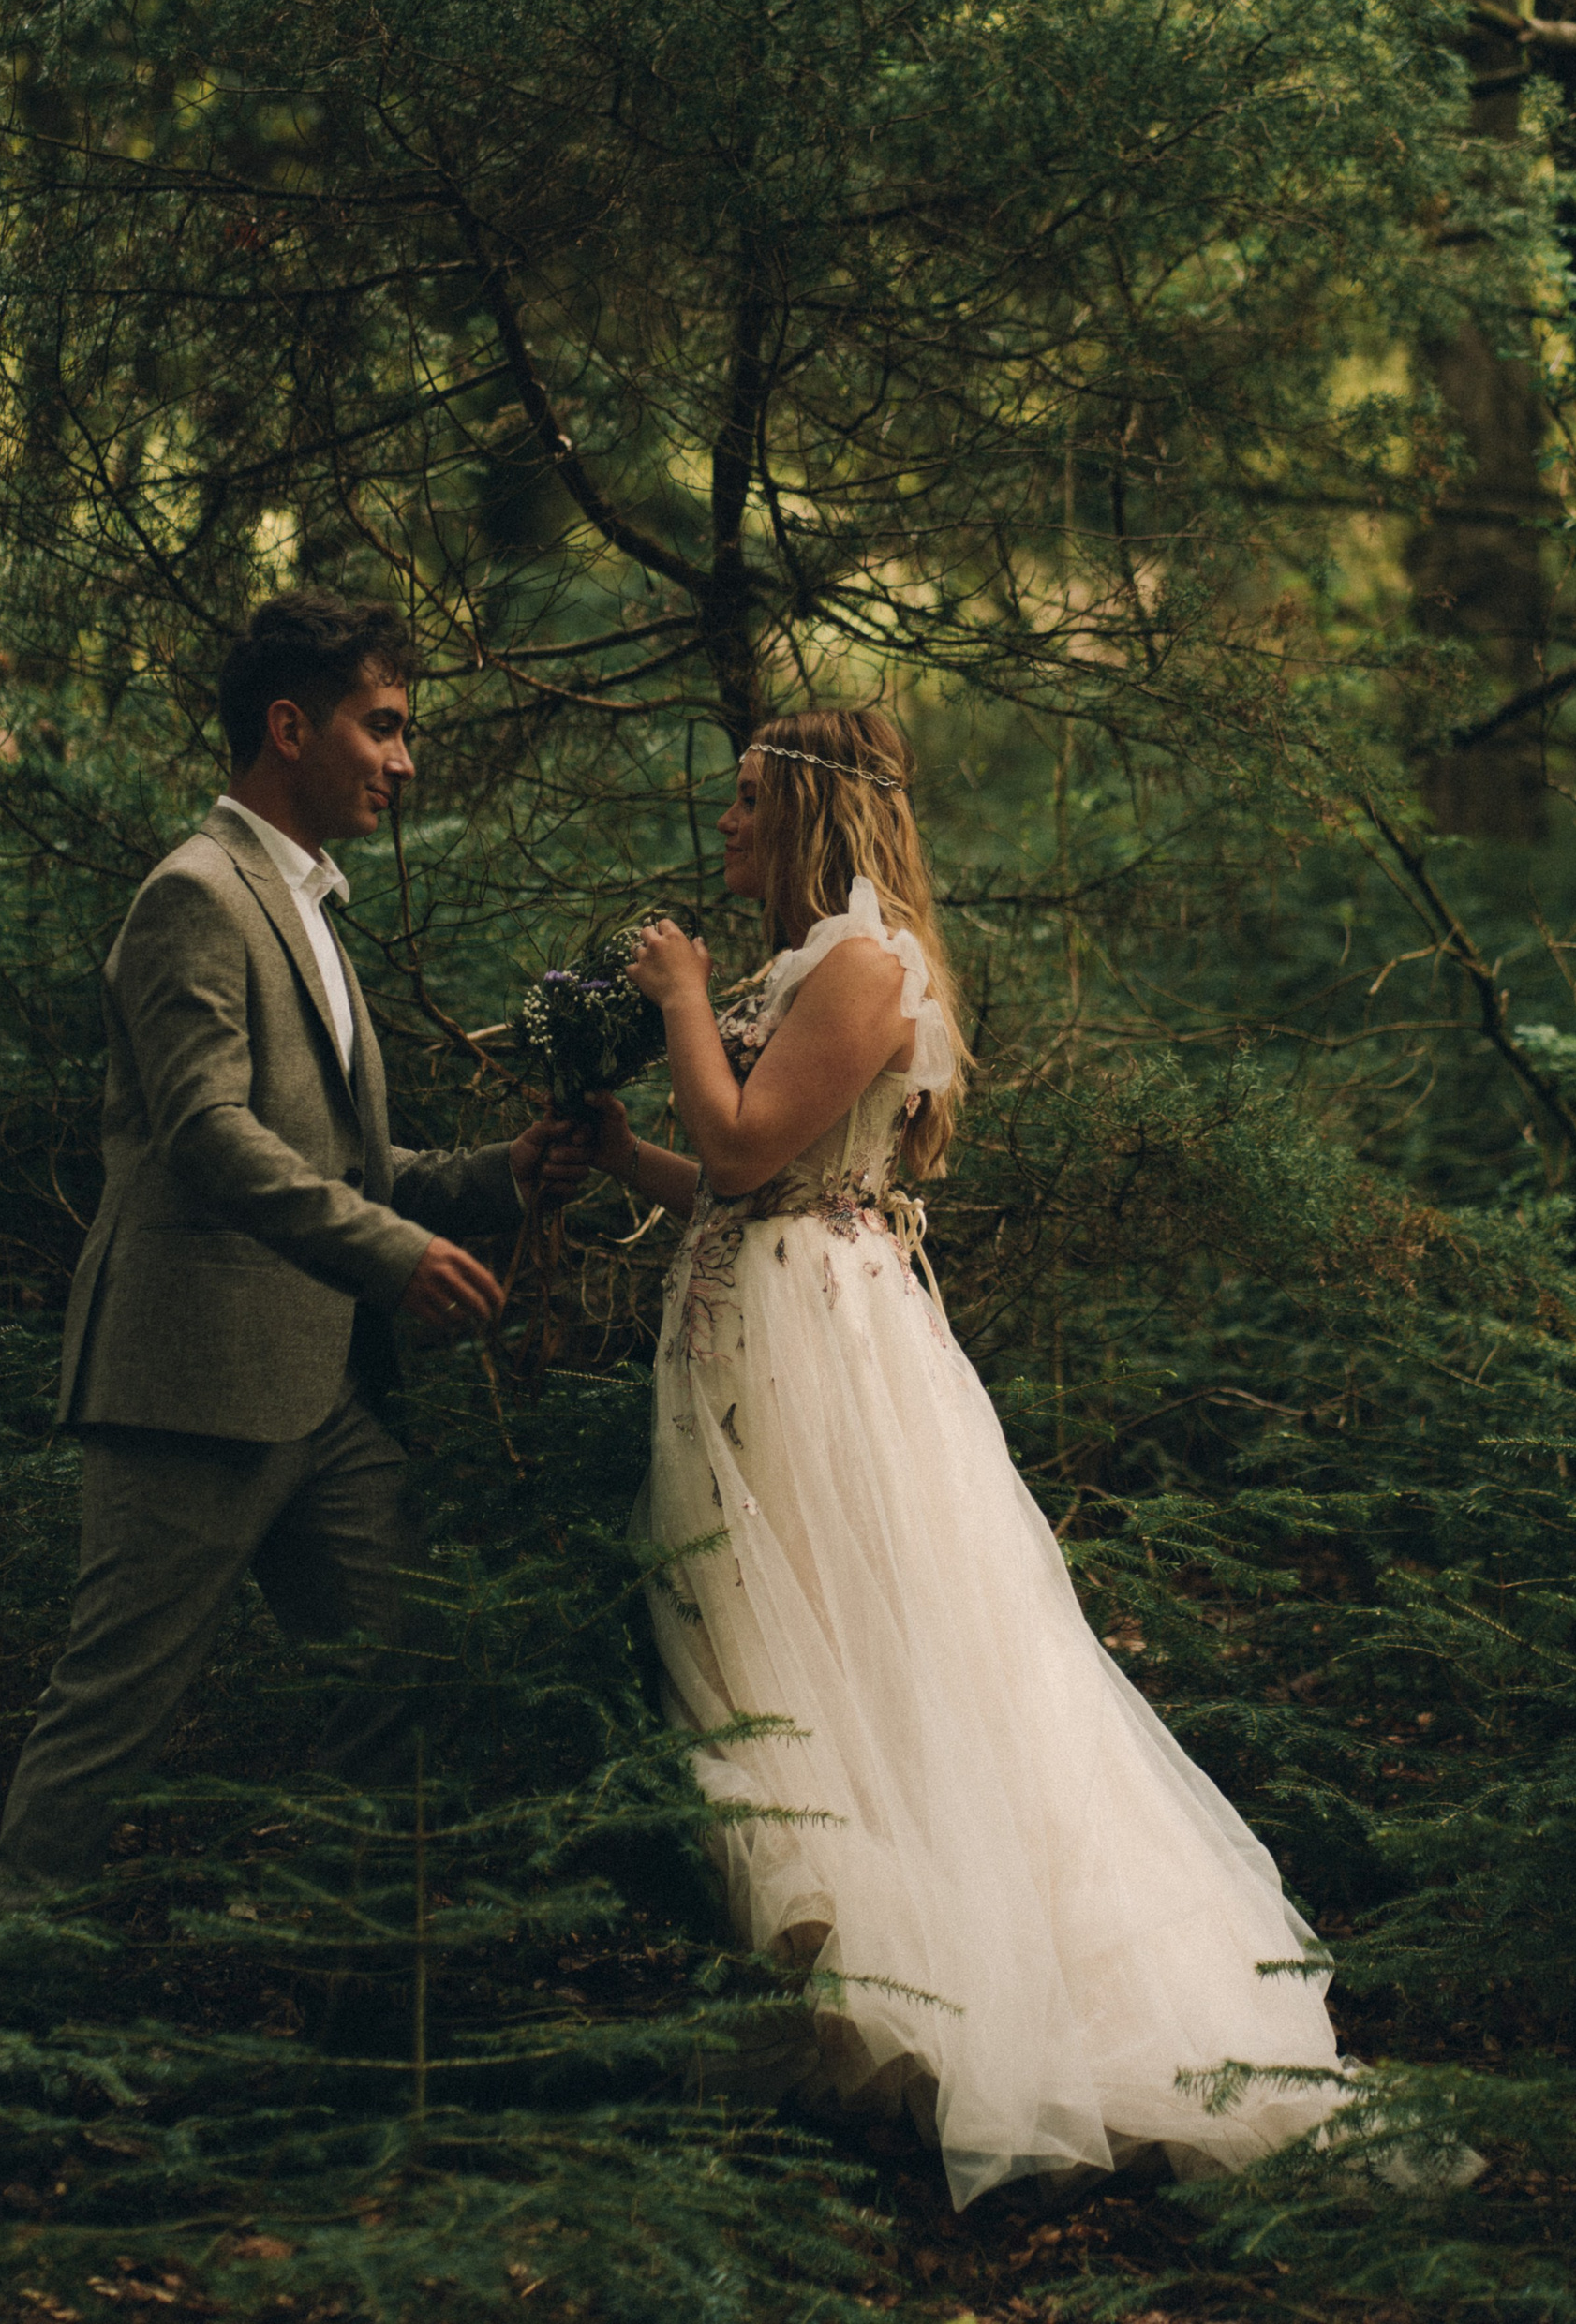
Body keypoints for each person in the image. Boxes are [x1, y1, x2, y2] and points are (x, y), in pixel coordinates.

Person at [591, 707, 1344, 2209]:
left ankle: (964, 2015)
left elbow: (742, 1147)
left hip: (822, 1358)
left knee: (851, 1657)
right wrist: (617, 1155)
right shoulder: (802, 967)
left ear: (809, 816)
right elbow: (743, 1179)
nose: (725, 823)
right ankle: (856, 2030)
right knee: (778, 1657)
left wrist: (675, 997)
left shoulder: (867, 965)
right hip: (761, 1331)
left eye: (748, 800)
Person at [0, 591, 601, 1910]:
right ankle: (13, 1988)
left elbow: (347, 1166)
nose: (405, 760)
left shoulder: (308, 906)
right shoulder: (196, 894)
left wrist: (500, 1177)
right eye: (381, 727)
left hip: (330, 1394)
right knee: (113, 1708)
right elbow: (208, 1135)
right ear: (288, 727)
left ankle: (359, 1987)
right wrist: (393, 1255)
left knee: (398, 1678)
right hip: (192, 1378)